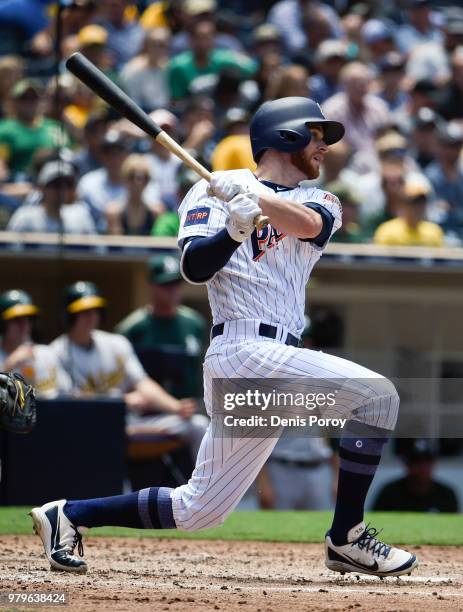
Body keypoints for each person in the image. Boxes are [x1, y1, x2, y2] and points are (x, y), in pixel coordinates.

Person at [30, 96, 418, 579]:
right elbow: (194, 267)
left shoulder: (322, 200)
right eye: (316, 135)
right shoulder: (209, 192)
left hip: (279, 358)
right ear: (287, 134)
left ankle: (68, 514)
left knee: (200, 509)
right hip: (243, 350)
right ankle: (347, 538)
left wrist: (254, 199)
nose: (323, 148)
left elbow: (309, 225)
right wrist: (233, 228)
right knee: (377, 397)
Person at [49, 280, 208, 446]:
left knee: (198, 425)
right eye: (83, 312)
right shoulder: (56, 353)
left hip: (130, 423)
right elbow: (68, 401)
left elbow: (142, 383)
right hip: (85, 429)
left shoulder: (116, 344)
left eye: (95, 310)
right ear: (68, 316)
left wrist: (175, 407)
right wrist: (123, 400)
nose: (91, 317)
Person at [115, 253, 206, 400]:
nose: (173, 290)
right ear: (151, 286)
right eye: (166, 285)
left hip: (190, 410)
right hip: (145, 411)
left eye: (176, 283)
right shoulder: (131, 328)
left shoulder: (194, 323)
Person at [0, 289, 70, 397]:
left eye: (27, 319)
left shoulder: (46, 354)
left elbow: (68, 393)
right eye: (17, 320)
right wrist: (10, 364)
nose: (24, 325)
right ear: (3, 324)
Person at [0, 79, 70, 179]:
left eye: (34, 98)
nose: (29, 102)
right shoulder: (4, 130)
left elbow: (70, 155)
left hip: (57, 181)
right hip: (21, 182)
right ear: (13, 102)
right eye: (24, 98)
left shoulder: (55, 126)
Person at [7, 160, 96, 234]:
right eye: (56, 185)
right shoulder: (25, 216)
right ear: (41, 187)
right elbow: (10, 251)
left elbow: (97, 252)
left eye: (68, 185)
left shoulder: (80, 215)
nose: (62, 190)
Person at [373, 439, 459, 513]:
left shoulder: (447, 495)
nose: (422, 468)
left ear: (433, 464)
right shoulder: (389, 493)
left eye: (426, 462)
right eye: (416, 463)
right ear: (407, 465)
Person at [105, 154, 165, 236]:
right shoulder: (114, 213)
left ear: (147, 181)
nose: (137, 182)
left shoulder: (156, 212)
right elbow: (116, 245)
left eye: (143, 178)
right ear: (124, 179)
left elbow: (158, 245)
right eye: (131, 176)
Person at [374, 179, 443, 247]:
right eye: (414, 202)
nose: (418, 207)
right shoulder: (387, 231)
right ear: (402, 204)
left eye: (422, 202)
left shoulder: (434, 231)